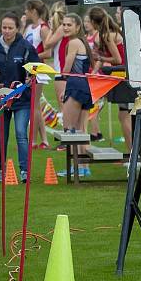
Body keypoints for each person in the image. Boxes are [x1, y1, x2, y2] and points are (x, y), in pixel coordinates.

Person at [0, 12, 39, 183]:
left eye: (10, 28)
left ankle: (24, 171)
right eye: (4, 27)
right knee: (1, 136)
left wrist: (31, 76)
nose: (6, 31)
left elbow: (35, 69)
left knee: (21, 133)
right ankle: (1, 171)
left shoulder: (26, 47)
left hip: (21, 99)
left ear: (17, 28)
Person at [88, 6, 134, 150]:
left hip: (124, 75)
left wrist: (99, 57)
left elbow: (118, 59)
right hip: (125, 75)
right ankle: (134, 153)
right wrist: (96, 68)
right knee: (125, 116)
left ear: (94, 22)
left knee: (125, 117)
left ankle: (134, 154)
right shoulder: (109, 33)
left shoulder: (107, 36)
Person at [58, 13, 94, 177]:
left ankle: (76, 167)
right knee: (81, 129)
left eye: (69, 25)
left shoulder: (73, 42)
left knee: (70, 129)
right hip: (86, 86)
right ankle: (84, 167)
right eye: (63, 25)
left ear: (77, 27)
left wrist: (60, 80)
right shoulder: (83, 42)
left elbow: (67, 68)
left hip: (76, 85)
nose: (65, 27)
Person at [23, 0, 51, 150]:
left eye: (27, 10)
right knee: (36, 105)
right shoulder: (29, 27)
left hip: (38, 69)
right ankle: (44, 140)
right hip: (29, 69)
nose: (25, 12)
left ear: (33, 10)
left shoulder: (43, 28)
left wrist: (32, 57)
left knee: (33, 105)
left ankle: (32, 140)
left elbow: (48, 51)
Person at [43, 1, 69, 111]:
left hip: (62, 73)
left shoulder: (60, 29)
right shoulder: (68, 28)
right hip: (69, 72)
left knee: (65, 112)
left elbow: (47, 45)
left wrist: (52, 29)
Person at [83, 14, 103, 141]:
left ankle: (96, 133)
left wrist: (95, 71)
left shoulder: (98, 36)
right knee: (90, 104)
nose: (86, 24)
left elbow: (101, 55)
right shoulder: (85, 37)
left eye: (88, 21)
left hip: (96, 75)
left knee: (94, 105)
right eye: (84, 21)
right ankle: (96, 132)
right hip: (87, 74)